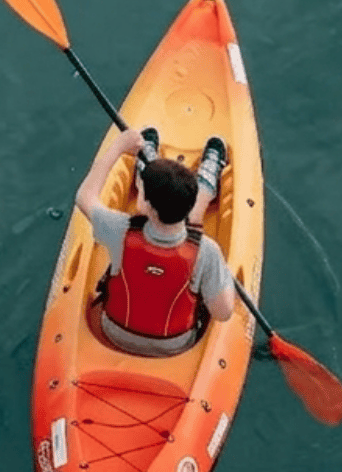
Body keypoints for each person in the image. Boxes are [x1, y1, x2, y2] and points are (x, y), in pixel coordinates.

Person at [74, 125, 235, 357]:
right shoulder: (208, 251)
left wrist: (118, 147)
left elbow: (84, 196)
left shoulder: (119, 229)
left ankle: (148, 164)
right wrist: (224, 276)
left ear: (145, 204)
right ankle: (205, 188)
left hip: (114, 333)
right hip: (175, 345)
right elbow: (223, 313)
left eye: (142, 190)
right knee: (195, 221)